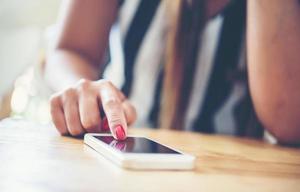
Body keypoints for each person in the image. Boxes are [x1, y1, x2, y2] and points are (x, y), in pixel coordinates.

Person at [45, 0, 300, 145]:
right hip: (123, 151)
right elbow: (71, 50)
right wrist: (89, 96)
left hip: (232, 179)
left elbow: (287, 120)